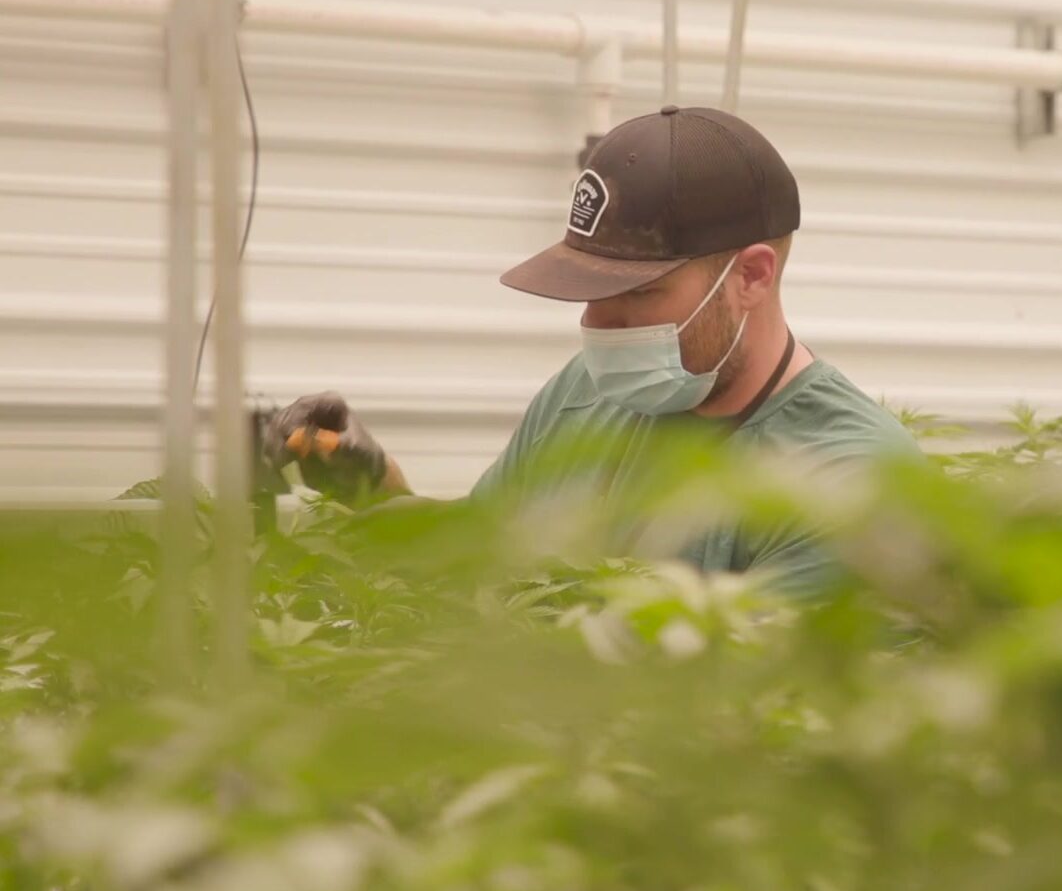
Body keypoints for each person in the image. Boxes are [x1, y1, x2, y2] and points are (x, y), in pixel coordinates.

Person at [265, 105, 920, 594]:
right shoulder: (588, 390)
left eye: (638, 294)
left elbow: (768, 739)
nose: (597, 323)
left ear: (750, 277)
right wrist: (373, 488)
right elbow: (485, 547)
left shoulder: (852, 485)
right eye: (589, 289)